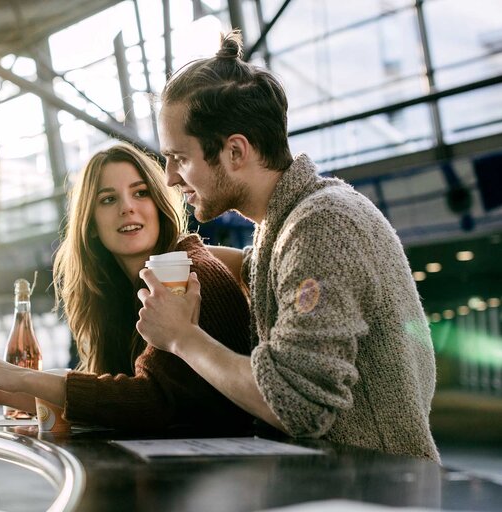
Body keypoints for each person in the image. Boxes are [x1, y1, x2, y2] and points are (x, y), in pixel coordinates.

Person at [135, 31, 440, 462]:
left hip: (375, 493)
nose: (169, 177)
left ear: (235, 151)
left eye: (180, 158)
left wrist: (182, 337)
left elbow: (298, 405)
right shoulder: (279, 229)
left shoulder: (324, 225)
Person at [0, 142, 252, 433]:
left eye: (141, 193)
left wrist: (19, 377)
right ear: (90, 224)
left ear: (159, 204)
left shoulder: (189, 274)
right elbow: (113, 397)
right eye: (108, 199)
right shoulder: (119, 293)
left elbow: (151, 402)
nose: (127, 207)